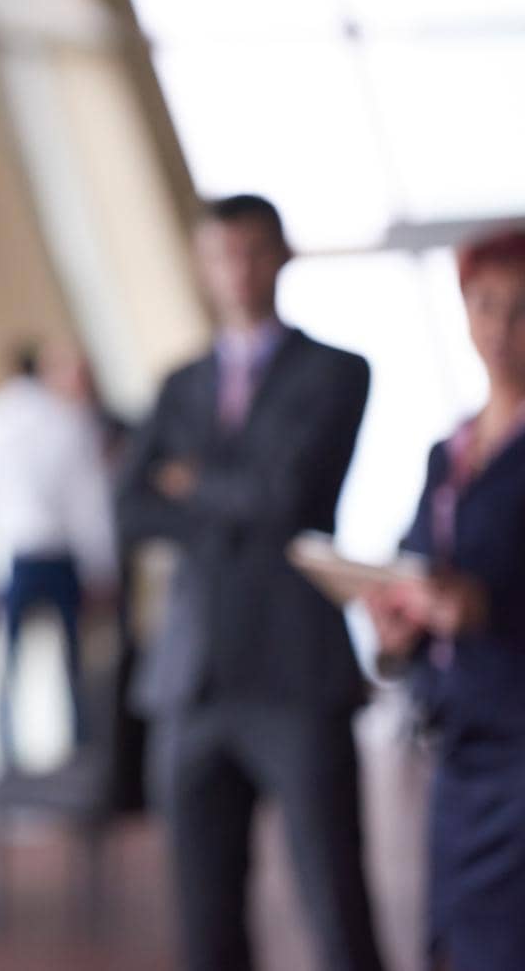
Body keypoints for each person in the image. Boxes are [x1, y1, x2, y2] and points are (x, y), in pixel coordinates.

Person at [116, 194, 384, 971]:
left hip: (296, 674)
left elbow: (292, 497)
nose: (237, 270)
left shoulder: (336, 371)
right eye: (220, 254)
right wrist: (232, 493)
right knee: (205, 927)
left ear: (281, 256)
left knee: (336, 908)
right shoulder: (178, 385)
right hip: (190, 681)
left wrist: (191, 483)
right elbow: (130, 508)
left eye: (251, 251)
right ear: (201, 268)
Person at [364, 226, 525, 971]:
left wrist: (491, 609)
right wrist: (398, 626)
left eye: (521, 310)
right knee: (454, 939)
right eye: (485, 305)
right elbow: (417, 564)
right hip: (459, 741)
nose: (500, 329)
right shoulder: (451, 451)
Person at [0, 338, 118, 761]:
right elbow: (88, 502)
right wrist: (102, 567)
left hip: (12, 559)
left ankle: (4, 757)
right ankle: (81, 753)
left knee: (9, 666)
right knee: (72, 663)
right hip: (59, 556)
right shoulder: (66, 419)